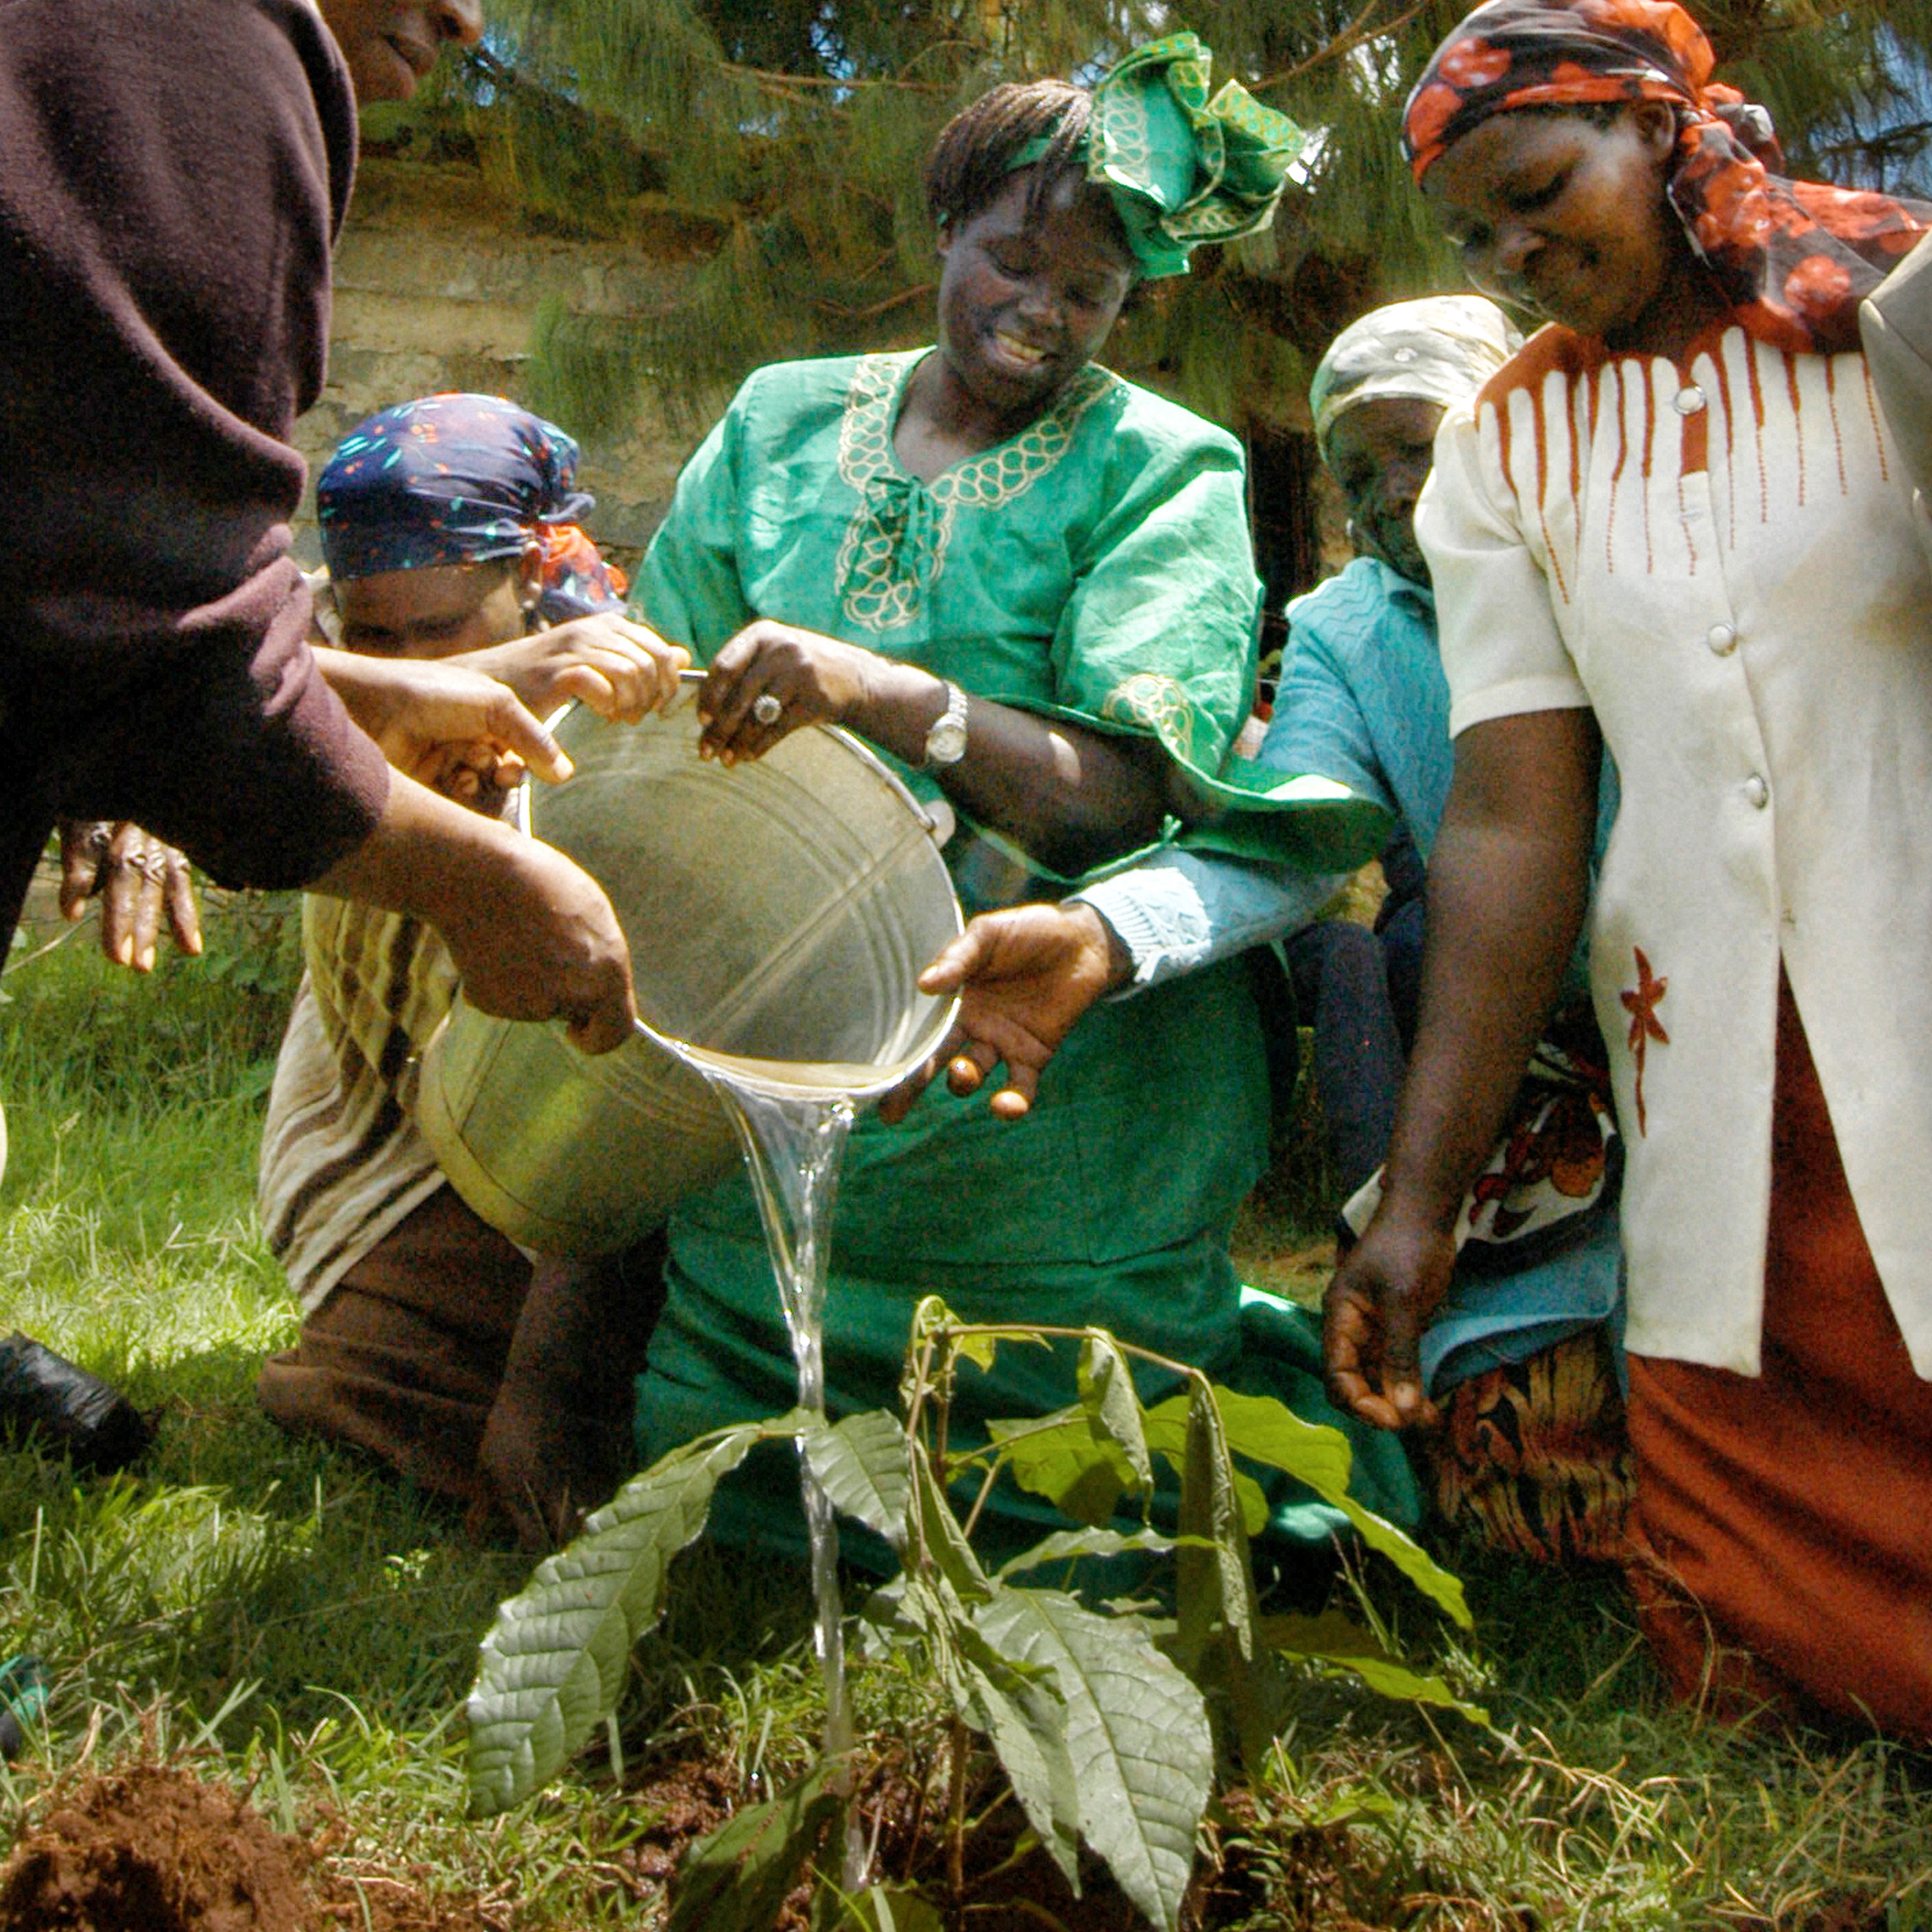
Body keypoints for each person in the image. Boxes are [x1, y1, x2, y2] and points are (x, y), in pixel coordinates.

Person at [627, 39, 1413, 1556]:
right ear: (945, 227)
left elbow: (1121, 798)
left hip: (1045, 1087)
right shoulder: (777, 424)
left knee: (1090, 1497)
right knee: (730, 1477)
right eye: (1012, 261)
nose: (1040, 312)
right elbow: (667, 717)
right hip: (792, 1018)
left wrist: (881, 691)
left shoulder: (1157, 467)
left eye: (1092, 293)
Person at [1324, 0, 1932, 1735]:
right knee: (1745, 1429)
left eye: (1539, 188)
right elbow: (1512, 819)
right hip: (1709, 1040)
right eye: (1477, 233)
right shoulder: (1506, 448)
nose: (1519, 250)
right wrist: (1422, 1200)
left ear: (1660, 127)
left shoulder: (1884, 311)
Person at [903, 296, 1634, 1564]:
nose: (1388, 492)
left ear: (1509, 419)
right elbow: (1282, 843)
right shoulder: (1349, 634)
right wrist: (1103, 934)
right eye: (1356, 470)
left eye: (1420, 446)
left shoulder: (1633, 550)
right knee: (1520, 1485)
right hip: (1532, 1074)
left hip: (1743, 1026)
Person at [1, 0, 640, 1055]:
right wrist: (483, 885)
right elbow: (138, 641)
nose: (467, 21)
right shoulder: (193, 41)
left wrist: (352, 692)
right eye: (373, 633)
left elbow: (63, 583)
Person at [257, 396, 687, 1547]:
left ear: (538, 585)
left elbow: (619, 1093)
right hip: (389, 1148)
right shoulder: (348, 720)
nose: (407, 671)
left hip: (570, 1160)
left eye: (442, 630)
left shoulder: (617, 729)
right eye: (371, 639)